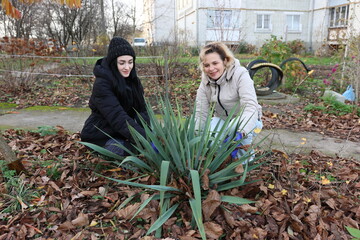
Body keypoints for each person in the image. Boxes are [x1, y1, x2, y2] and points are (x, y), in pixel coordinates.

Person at [81, 37, 149, 156]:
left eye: (130, 62)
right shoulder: (102, 84)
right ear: (113, 63)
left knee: (143, 148)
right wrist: (144, 140)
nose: (127, 67)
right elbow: (117, 116)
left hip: (120, 132)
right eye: (122, 63)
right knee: (127, 151)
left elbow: (142, 110)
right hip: (99, 135)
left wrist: (150, 134)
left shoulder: (133, 80)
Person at [195, 41, 262, 162]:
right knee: (210, 137)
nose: (211, 69)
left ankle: (246, 162)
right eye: (206, 65)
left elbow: (250, 107)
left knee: (234, 131)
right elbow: (201, 113)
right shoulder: (205, 82)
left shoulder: (240, 74)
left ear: (225, 61)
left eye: (215, 63)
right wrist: (193, 138)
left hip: (248, 120)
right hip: (222, 119)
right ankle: (224, 162)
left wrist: (241, 132)